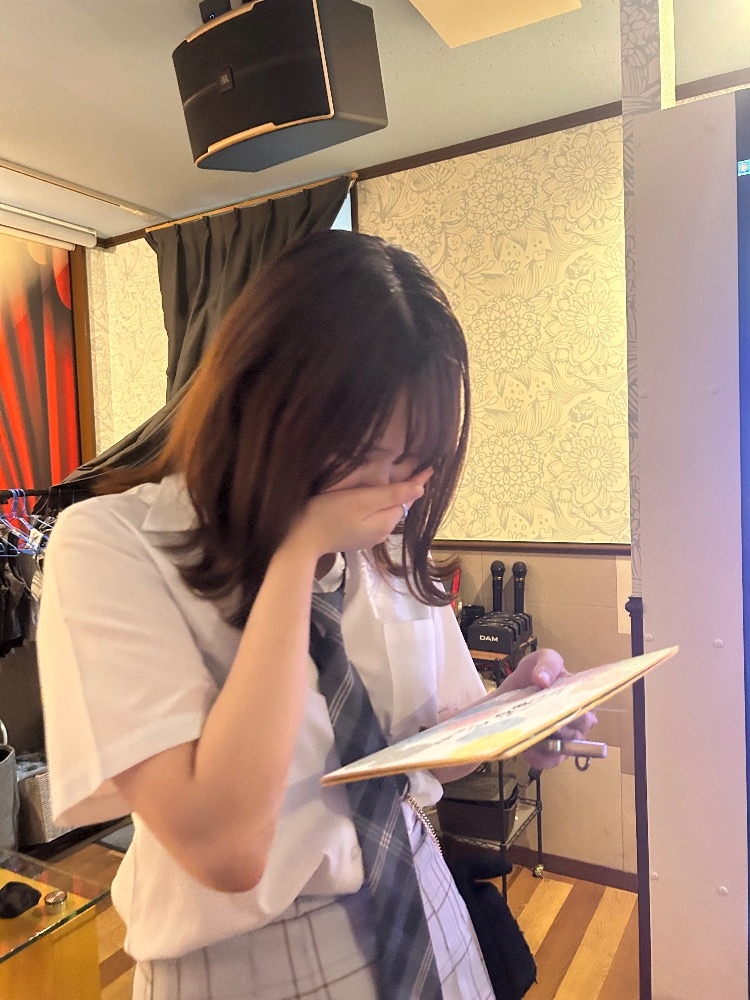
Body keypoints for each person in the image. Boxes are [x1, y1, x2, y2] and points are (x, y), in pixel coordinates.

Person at [37, 230, 593, 1000]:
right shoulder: (111, 545)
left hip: (426, 914)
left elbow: (433, 753)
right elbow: (227, 850)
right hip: (247, 963)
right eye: (386, 456)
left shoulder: (385, 543)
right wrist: (296, 551)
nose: (411, 488)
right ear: (273, 410)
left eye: (424, 459)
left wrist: (516, 711)